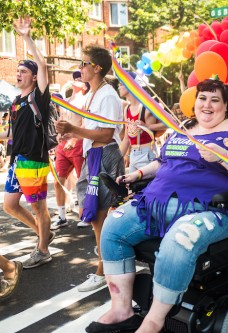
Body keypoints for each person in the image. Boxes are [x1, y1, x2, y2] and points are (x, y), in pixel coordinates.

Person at [84, 79, 228, 333]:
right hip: (158, 203)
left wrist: (222, 156)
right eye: (203, 98)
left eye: (215, 100)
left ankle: (154, 320)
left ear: (225, 105)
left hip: (212, 210)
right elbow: (162, 162)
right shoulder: (185, 128)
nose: (207, 105)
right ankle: (121, 308)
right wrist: (137, 174)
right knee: (113, 227)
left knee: (179, 237)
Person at [55, 45, 125, 292]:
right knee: (96, 216)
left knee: (99, 216)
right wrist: (73, 136)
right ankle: (107, 263)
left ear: (96, 68)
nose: (79, 67)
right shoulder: (93, 93)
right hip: (94, 155)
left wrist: (73, 130)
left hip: (103, 155)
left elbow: (106, 134)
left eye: (83, 63)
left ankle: (103, 269)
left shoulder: (107, 95)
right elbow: (95, 130)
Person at [0, 17, 56, 269]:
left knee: (39, 209)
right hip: (17, 160)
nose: (18, 74)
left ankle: (43, 249)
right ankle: (42, 232)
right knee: (10, 205)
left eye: (24, 71)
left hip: (33, 160)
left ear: (34, 77)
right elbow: (12, 134)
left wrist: (25, 37)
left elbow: (43, 64)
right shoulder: (15, 101)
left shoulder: (39, 97)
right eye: (18, 70)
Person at [50, 73, 87, 230]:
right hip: (63, 146)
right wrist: (58, 135)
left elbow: (86, 124)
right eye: (75, 77)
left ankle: (86, 215)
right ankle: (62, 216)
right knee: (59, 181)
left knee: (83, 181)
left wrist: (73, 140)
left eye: (80, 78)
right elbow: (63, 122)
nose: (76, 79)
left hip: (78, 144)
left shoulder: (85, 101)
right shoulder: (66, 101)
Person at [119, 72, 165, 173]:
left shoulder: (147, 107)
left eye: (121, 84)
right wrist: (117, 160)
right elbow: (127, 138)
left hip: (147, 154)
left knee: (146, 188)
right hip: (133, 155)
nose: (119, 87)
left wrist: (149, 126)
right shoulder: (127, 108)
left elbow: (169, 123)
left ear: (130, 84)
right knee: (132, 187)